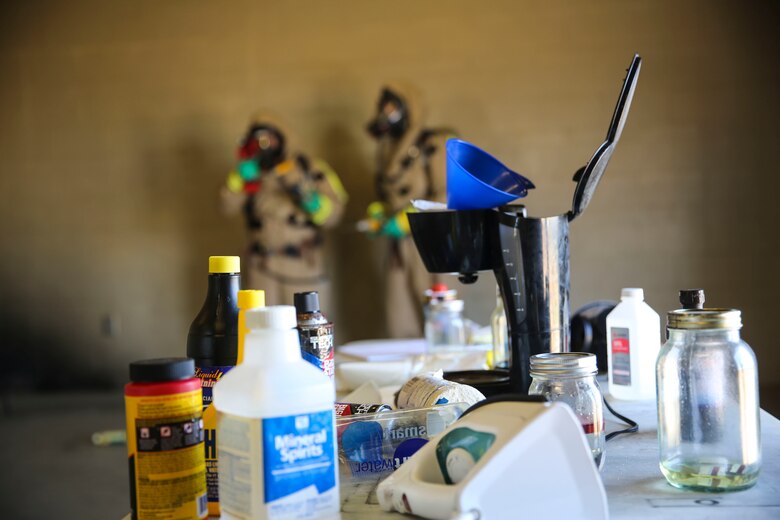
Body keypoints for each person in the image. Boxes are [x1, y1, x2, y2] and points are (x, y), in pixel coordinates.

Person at [220, 113, 347, 307]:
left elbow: (335, 212)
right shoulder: (251, 173)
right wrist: (239, 179)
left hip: (303, 268)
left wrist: (312, 202)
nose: (264, 144)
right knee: (262, 327)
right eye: (258, 139)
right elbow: (226, 206)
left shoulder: (309, 168)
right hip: (263, 270)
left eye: (269, 137)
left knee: (307, 326)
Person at [361, 84, 456, 337]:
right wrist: (380, 212)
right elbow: (388, 193)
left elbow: (448, 194)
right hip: (398, 248)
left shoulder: (432, 144)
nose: (386, 112)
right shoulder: (387, 148)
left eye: (393, 106)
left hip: (431, 243)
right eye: (384, 106)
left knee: (439, 322)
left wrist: (408, 219)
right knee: (399, 317)